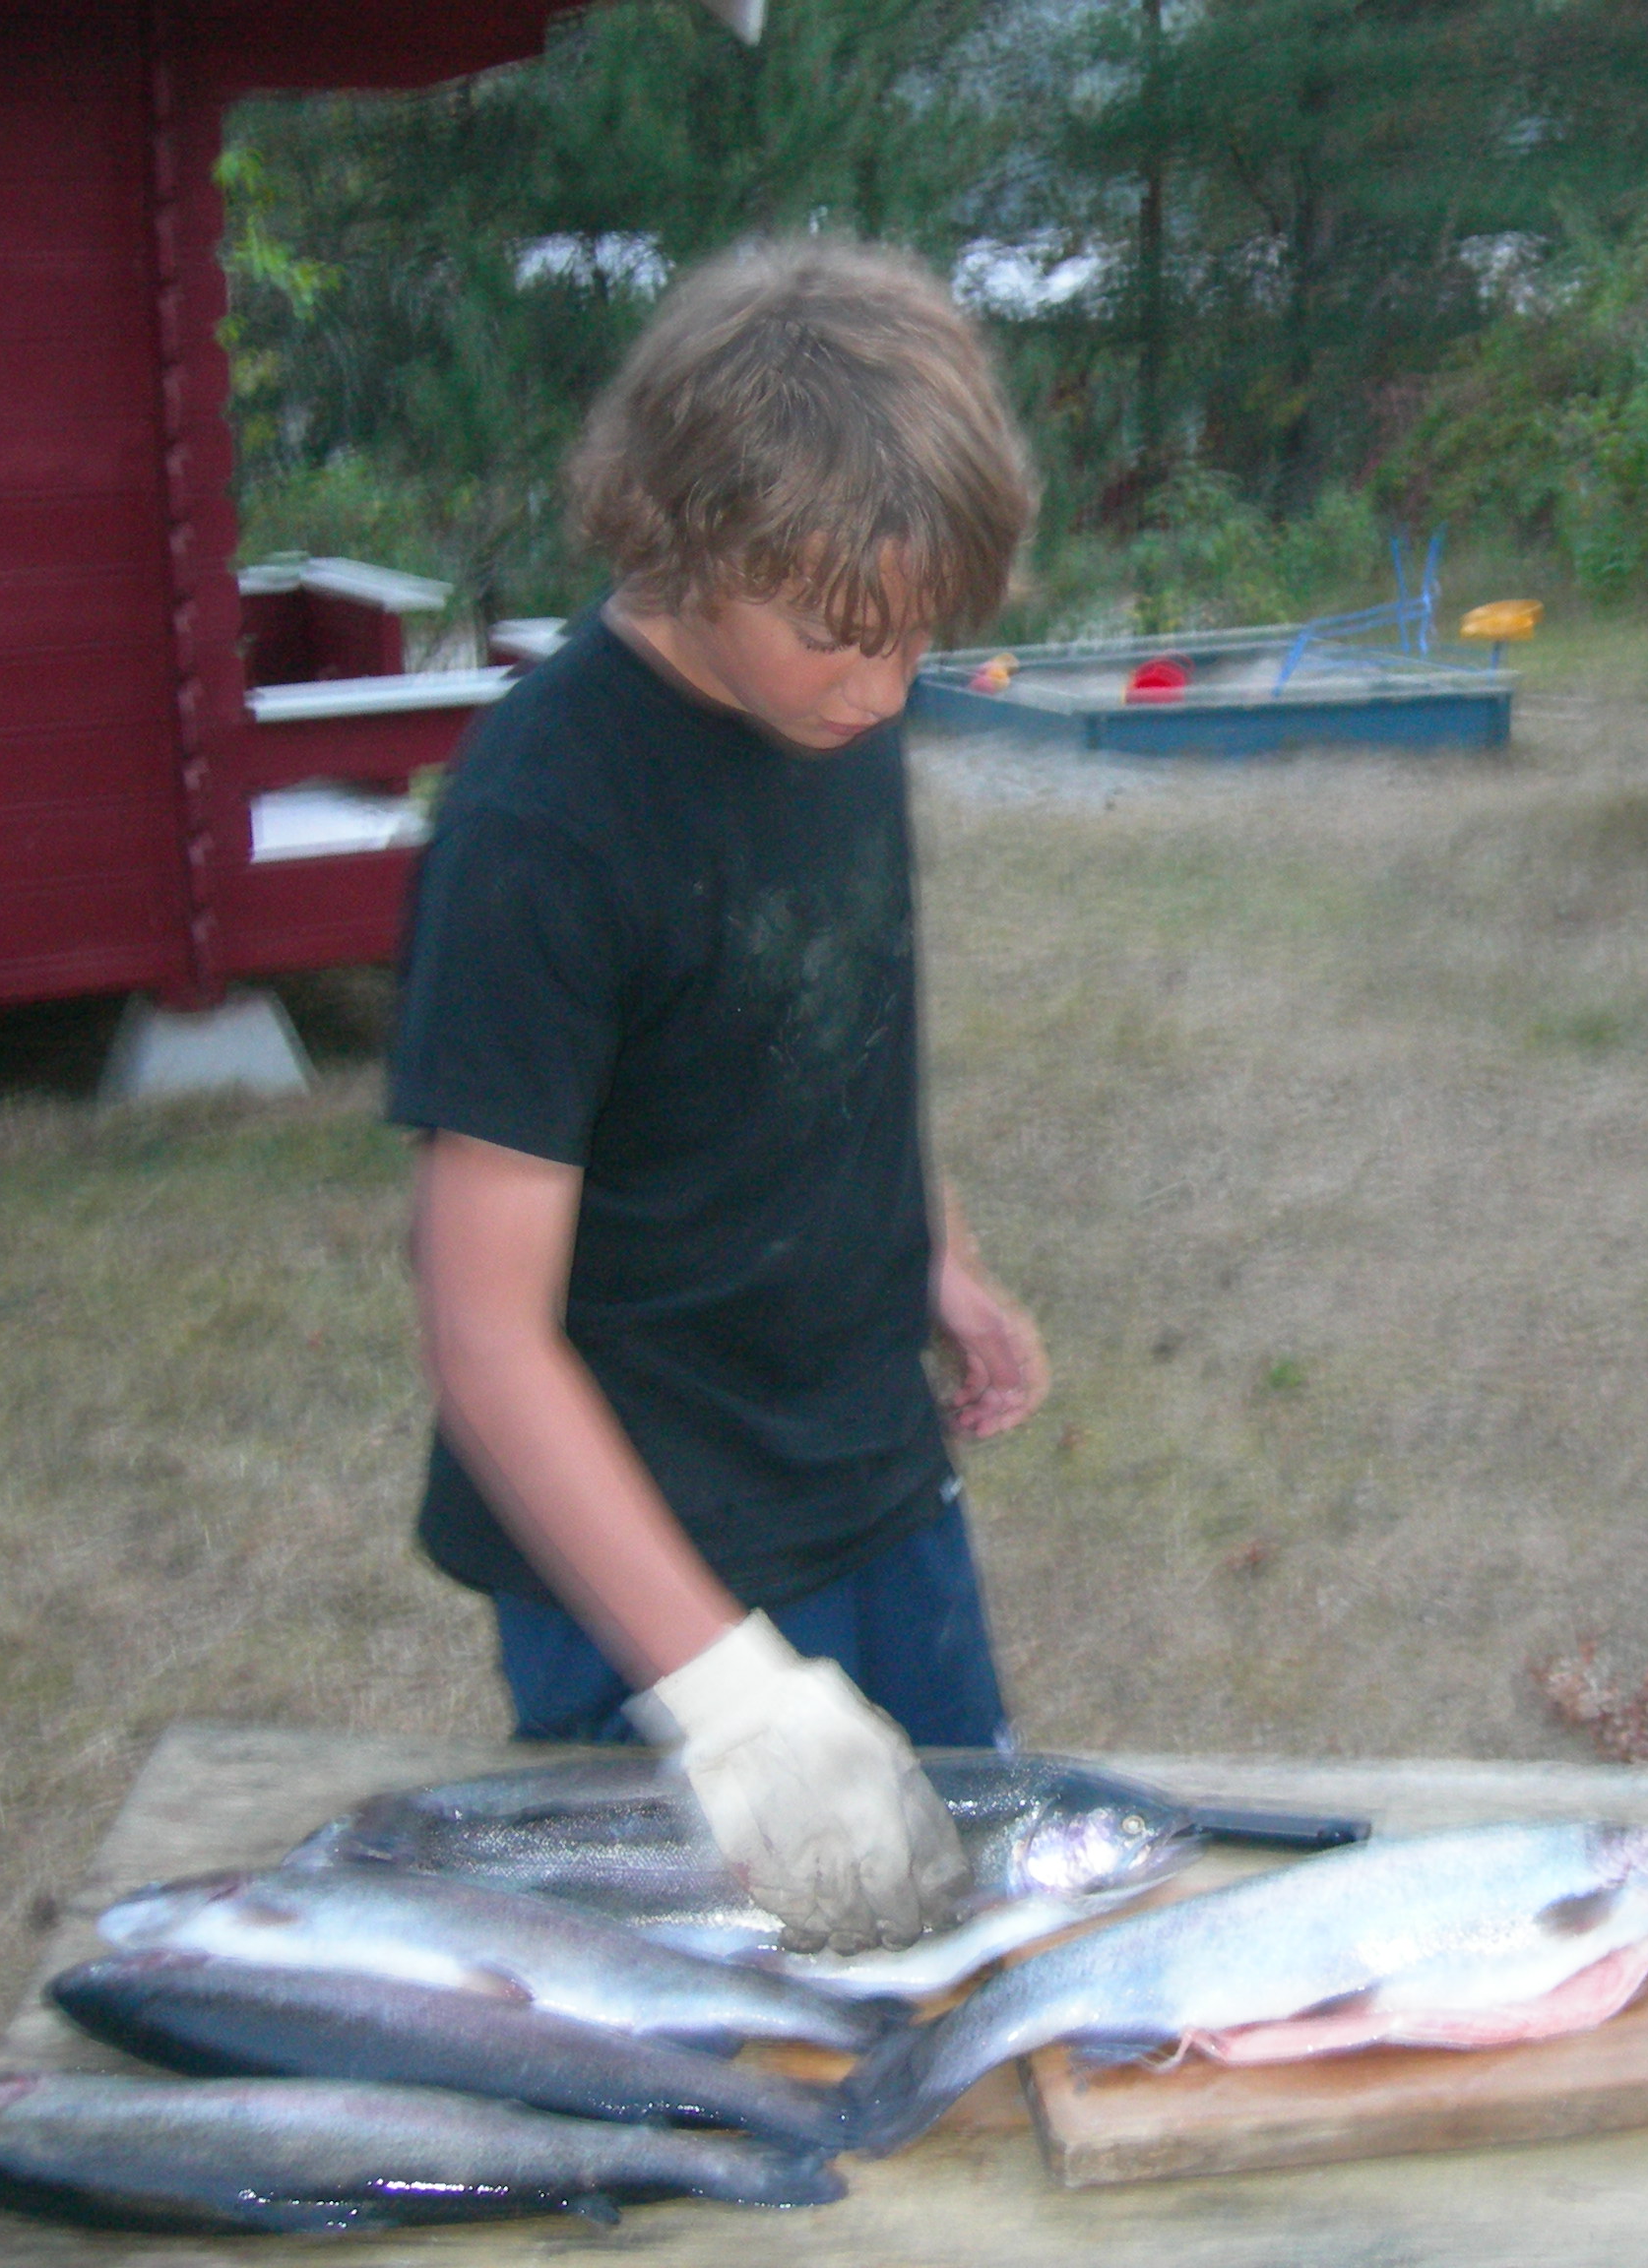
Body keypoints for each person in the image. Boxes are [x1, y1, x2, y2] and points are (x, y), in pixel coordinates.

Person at [387, 237, 1049, 1954]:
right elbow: (482, 1338)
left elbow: (829, 1015)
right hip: (648, 1559)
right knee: (712, 2025)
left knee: (958, 1949)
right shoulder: (544, 828)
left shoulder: (834, 699)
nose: (883, 689)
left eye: (919, 640)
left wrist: (935, 1250)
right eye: (841, 639)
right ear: (688, 537)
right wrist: (727, 1697)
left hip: (874, 1480)